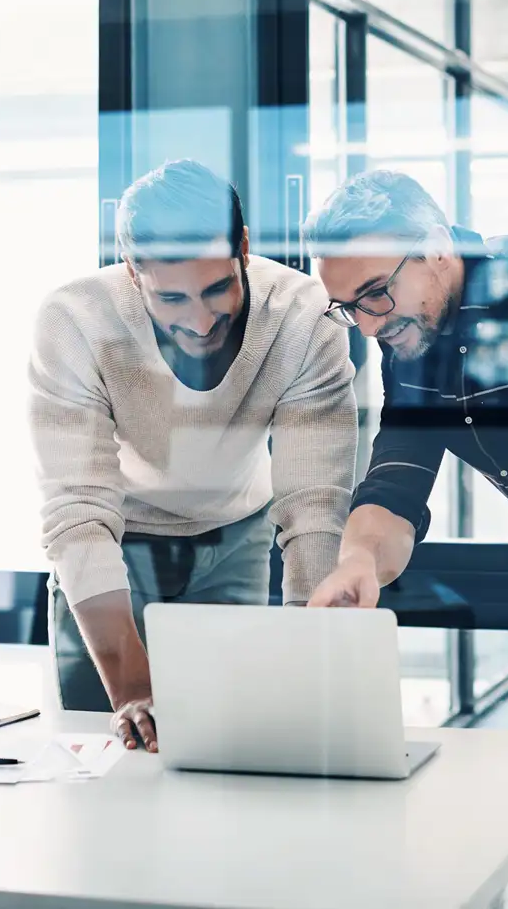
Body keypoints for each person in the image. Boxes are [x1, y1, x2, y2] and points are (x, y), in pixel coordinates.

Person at [301, 168, 508, 903]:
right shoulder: (412, 335)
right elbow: (396, 482)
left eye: (374, 294)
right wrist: (359, 563)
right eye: (347, 308)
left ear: (434, 248)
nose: (366, 325)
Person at [29, 158, 357, 749]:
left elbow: (314, 502)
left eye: (217, 288)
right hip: (113, 545)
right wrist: (131, 690)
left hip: (237, 534)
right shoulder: (74, 321)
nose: (201, 320)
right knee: (109, 753)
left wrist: (315, 664)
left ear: (244, 248)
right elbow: (77, 510)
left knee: (229, 741)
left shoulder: (304, 316)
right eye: (173, 298)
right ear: (132, 271)